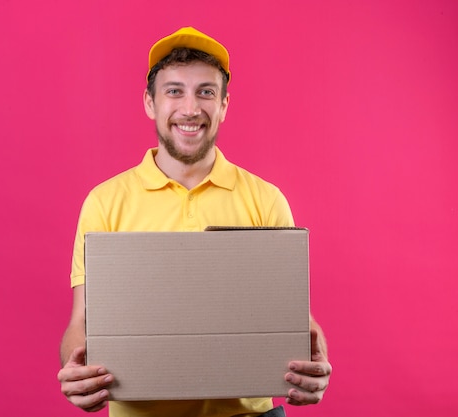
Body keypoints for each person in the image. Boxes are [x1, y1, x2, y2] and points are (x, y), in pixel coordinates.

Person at [57, 27, 332, 417]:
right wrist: (76, 368)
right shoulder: (105, 203)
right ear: (150, 103)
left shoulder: (266, 200)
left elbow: (293, 319)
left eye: (206, 92)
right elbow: (82, 321)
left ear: (223, 106)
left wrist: (315, 360)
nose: (190, 108)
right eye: (174, 91)